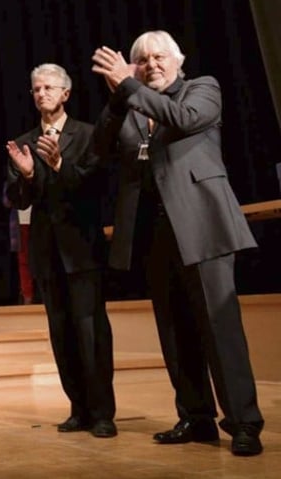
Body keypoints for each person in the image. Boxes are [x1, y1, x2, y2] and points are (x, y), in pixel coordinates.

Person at [91, 31, 263, 457]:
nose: (152, 65)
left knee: (219, 329)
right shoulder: (131, 103)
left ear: (178, 59)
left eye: (159, 57)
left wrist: (129, 86)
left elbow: (183, 119)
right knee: (174, 331)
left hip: (201, 226)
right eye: (142, 60)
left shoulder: (202, 89)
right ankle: (196, 416)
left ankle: (243, 422)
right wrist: (118, 97)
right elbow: (99, 149)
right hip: (152, 233)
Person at [5, 64, 117, 438]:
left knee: (91, 332)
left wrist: (58, 164)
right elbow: (16, 199)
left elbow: (95, 187)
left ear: (65, 93)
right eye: (36, 89)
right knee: (62, 333)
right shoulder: (24, 142)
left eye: (48, 88)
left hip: (82, 250)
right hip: (47, 252)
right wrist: (28, 174)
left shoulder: (87, 135)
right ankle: (78, 409)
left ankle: (102, 413)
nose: (41, 94)